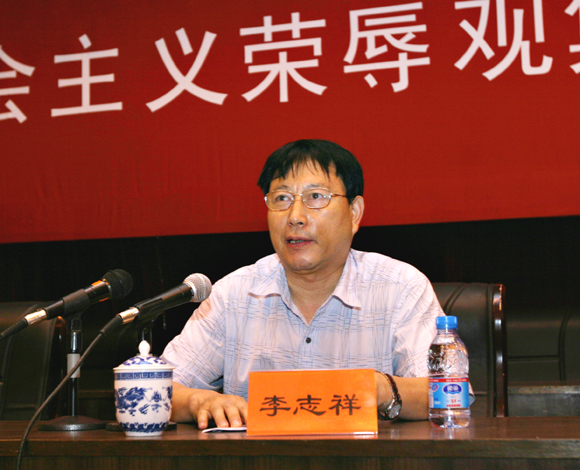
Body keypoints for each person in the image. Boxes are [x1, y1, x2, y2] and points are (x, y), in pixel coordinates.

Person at [161, 139, 443, 429]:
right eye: (281, 198)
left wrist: (380, 388)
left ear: (354, 213)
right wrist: (199, 400)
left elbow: (446, 393)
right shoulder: (232, 294)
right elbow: (159, 386)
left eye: (316, 197)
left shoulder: (401, 287)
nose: (295, 217)